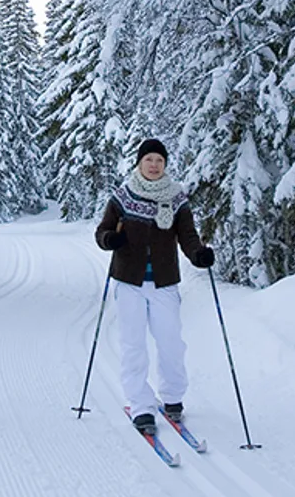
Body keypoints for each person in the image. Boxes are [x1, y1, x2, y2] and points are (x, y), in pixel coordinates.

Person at [95, 138, 214, 437]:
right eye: (148, 159)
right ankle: (141, 406)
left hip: (164, 283)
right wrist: (111, 240)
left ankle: (173, 397)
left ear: (165, 165)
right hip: (129, 282)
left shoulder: (176, 198)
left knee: (171, 342)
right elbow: (102, 231)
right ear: (139, 163)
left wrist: (198, 254)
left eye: (159, 160)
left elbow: (187, 235)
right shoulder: (123, 197)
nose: (154, 165)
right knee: (133, 345)